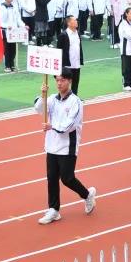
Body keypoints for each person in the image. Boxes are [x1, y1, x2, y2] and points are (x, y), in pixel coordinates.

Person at [35, 71, 97, 225]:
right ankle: (53, 209)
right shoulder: (52, 99)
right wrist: (43, 95)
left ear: (69, 81)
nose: (59, 83)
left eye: (62, 80)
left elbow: (70, 125)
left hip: (67, 146)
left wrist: (52, 126)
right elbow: (39, 110)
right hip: (51, 145)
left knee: (67, 178)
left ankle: (87, 195)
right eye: (57, 80)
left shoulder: (76, 102)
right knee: (52, 178)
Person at [57, 14, 84, 95]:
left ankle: (74, 98)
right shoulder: (63, 35)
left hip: (76, 63)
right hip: (67, 64)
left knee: (75, 83)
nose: (76, 22)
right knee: (65, 84)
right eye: (74, 20)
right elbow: (59, 50)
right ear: (69, 23)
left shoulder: (77, 33)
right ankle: (63, 98)